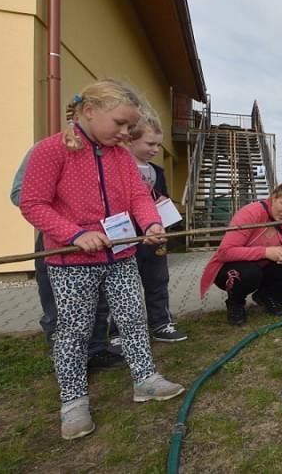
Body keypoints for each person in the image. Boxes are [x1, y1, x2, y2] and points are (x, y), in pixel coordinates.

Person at [19, 79, 184, 440]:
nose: (125, 133)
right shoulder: (52, 151)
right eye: (120, 124)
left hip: (122, 253)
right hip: (72, 262)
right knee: (74, 331)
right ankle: (74, 401)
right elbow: (32, 203)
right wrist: (76, 235)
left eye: (129, 126)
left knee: (133, 317)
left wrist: (152, 222)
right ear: (89, 112)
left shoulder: (121, 156)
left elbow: (138, 197)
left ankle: (145, 380)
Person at [11, 146, 124, 370]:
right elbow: (21, 196)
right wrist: (69, 215)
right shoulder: (47, 151)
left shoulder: (107, 153)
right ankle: (66, 359)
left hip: (99, 239)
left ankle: (96, 350)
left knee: (99, 301)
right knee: (59, 305)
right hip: (59, 242)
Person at [199, 181, 282, 324]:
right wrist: (266, 252)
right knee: (250, 272)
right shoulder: (251, 212)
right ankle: (236, 304)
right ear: (274, 197)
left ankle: (266, 295)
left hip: (265, 268)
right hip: (232, 268)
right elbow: (225, 252)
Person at [120, 113, 186, 342]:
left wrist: (162, 206)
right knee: (123, 285)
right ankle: (119, 332)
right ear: (130, 140)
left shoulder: (156, 171)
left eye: (158, 144)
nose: (156, 149)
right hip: (126, 237)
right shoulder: (118, 166)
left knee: (158, 279)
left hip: (155, 235)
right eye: (150, 144)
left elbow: (163, 196)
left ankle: (161, 323)